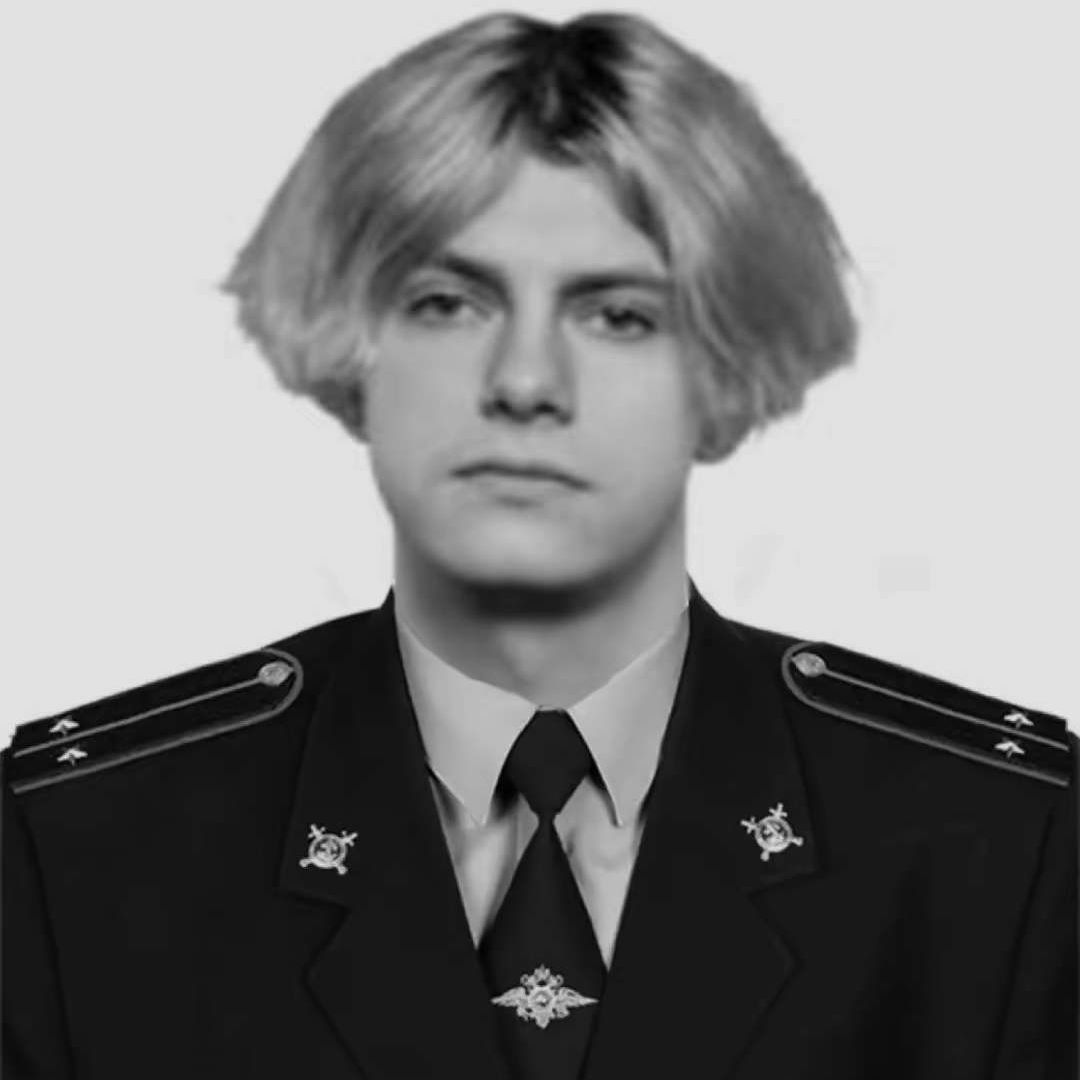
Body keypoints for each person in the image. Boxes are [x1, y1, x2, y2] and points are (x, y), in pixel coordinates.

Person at [3, 11, 1075, 1079]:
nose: (524, 382)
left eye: (617, 315)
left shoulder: (1001, 846)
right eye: (448, 302)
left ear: (726, 361)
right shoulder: (78, 849)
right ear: (348, 340)